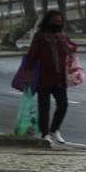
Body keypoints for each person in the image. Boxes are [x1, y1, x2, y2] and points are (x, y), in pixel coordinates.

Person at [25, 10, 76, 146]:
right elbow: (31, 56)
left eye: (60, 22)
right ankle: (45, 134)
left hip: (59, 78)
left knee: (63, 105)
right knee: (44, 107)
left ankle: (54, 129)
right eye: (55, 22)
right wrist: (28, 73)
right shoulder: (40, 37)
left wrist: (70, 47)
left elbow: (70, 51)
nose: (58, 24)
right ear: (48, 22)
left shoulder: (62, 37)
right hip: (44, 78)